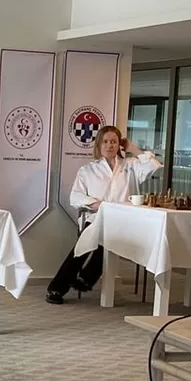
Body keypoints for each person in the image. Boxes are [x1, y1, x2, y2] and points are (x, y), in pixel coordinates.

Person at [46, 126, 161, 304]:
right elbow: (75, 196)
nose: (109, 145)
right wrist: (98, 205)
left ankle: (86, 278)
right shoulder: (88, 170)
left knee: (106, 238)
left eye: (114, 142)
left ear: (119, 144)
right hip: (96, 217)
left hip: (125, 221)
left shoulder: (130, 165)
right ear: (99, 144)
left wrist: (133, 149)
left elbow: (153, 165)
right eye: (105, 142)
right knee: (85, 245)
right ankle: (58, 288)